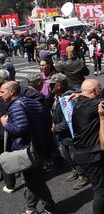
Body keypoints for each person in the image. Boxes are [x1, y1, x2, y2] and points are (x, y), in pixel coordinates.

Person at [0, 81, 58, 214]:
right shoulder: (32, 101)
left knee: (34, 181)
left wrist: (5, 124)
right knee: (33, 179)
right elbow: (45, 121)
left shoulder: (15, 106)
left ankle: (49, 208)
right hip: (39, 145)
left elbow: (20, 129)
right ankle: (30, 208)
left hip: (27, 149)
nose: (0, 95)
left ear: (12, 92)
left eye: (2, 92)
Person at [72, 79, 104, 214]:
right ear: (93, 92)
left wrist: (80, 94)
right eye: (100, 89)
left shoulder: (79, 103)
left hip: (83, 154)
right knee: (100, 190)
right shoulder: (93, 105)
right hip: (91, 154)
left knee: (102, 186)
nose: (102, 91)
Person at [49, 73, 89, 190]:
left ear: (59, 85)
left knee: (75, 154)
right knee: (67, 154)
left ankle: (83, 175)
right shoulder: (58, 96)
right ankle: (75, 170)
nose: (49, 87)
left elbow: (69, 119)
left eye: (52, 85)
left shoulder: (68, 97)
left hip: (70, 133)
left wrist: (56, 128)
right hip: (63, 133)